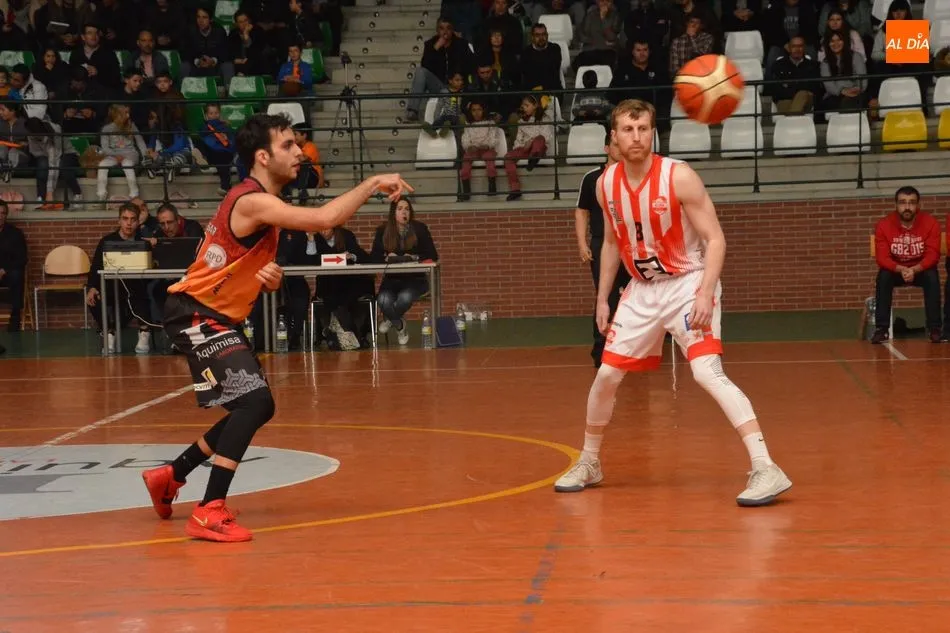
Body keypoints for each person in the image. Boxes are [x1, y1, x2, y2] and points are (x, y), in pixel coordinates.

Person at [140, 113, 412, 543]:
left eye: (297, 144)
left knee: (256, 406)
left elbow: (234, 265)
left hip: (214, 315)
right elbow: (324, 219)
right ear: (262, 157)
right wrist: (372, 182)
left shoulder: (260, 204)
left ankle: (173, 474)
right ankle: (209, 509)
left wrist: (269, 279)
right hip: (195, 314)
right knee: (254, 402)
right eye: (288, 145)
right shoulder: (252, 200)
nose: (299, 152)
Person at [554, 99, 792, 507]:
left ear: (653, 133)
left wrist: (705, 293)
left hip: (687, 281)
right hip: (642, 289)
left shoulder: (678, 176)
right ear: (613, 137)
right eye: (627, 130)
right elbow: (610, 242)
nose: (636, 137)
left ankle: (765, 466)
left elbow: (716, 240)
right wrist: (602, 299)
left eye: (643, 128)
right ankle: (590, 462)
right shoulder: (604, 184)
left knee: (706, 371)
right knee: (606, 375)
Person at [575, 132, 631, 367]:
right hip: (603, 244)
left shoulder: (634, 175)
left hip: (632, 245)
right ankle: (601, 350)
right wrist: (582, 243)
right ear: (606, 148)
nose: (620, 149)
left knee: (637, 296)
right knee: (606, 295)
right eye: (615, 145)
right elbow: (582, 211)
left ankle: (635, 347)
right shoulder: (592, 178)